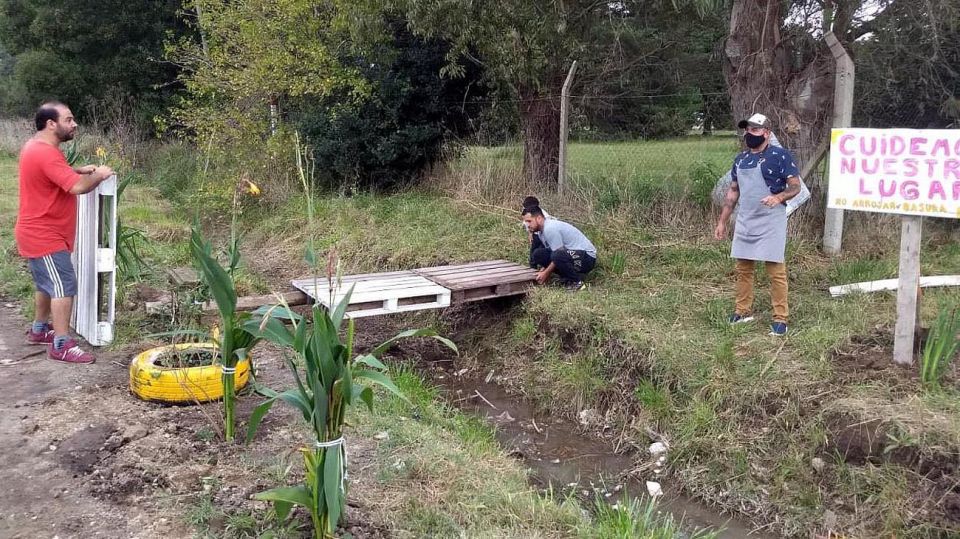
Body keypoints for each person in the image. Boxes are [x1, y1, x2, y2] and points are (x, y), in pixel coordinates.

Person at [15, 101, 114, 363]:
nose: (74, 124)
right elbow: (78, 188)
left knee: (46, 284)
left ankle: (39, 330)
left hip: (37, 231)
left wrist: (75, 170)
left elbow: (51, 175)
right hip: (44, 234)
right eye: (68, 120)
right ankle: (62, 345)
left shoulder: (36, 147)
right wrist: (100, 174)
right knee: (63, 285)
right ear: (51, 124)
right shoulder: (45, 153)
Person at [714, 113, 801, 336]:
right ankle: (742, 311)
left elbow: (795, 187)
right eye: (747, 130)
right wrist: (722, 221)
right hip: (746, 220)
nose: (749, 134)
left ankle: (780, 318)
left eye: (755, 130)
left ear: (766, 133)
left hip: (771, 220)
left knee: (775, 271)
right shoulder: (741, 159)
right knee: (743, 269)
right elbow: (733, 192)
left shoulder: (780, 156)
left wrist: (778, 197)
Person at [523, 206, 597, 291]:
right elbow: (552, 252)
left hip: (587, 257)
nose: (527, 225)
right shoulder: (541, 232)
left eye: (529, 221)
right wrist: (542, 271)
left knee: (557, 255)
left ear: (539, 218)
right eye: (525, 222)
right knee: (538, 254)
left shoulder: (549, 228)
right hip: (571, 254)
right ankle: (568, 278)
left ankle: (577, 282)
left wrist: (546, 273)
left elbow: (558, 254)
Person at [522, 195, 552, 267]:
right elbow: (527, 224)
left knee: (542, 250)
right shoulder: (526, 213)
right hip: (535, 234)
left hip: (544, 235)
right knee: (533, 250)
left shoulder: (543, 214)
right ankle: (532, 266)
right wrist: (530, 234)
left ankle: (545, 266)